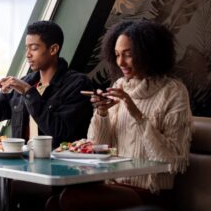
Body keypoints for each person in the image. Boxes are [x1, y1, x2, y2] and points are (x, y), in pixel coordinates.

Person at [50, 20, 193, 210]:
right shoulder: (119, 86)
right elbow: (98, 145)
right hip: (112, 184)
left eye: (128, 54)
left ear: (148, 53)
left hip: (151, 192)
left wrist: (136, 113)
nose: (120, 62)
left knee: (69, 200)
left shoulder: (173, 92)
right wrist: (102, 112)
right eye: (117, 55)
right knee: (54, 200)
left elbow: (171, 160)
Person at [0, 20, 93, 211]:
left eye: (34, 48)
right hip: (21, 166)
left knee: (5, 191)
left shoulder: (77, 84)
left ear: (53, 49)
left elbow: (60, 130)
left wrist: (29, 93)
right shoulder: (27, 80)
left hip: (56, 170)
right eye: (26, 48)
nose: (28, 54)